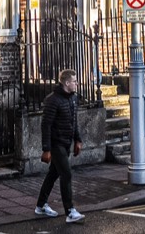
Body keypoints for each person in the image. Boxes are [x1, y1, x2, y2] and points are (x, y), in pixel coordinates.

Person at [35, 69, 85, 224]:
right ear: (67, 83)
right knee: (66, 174)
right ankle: (70, 211)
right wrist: (46, 149)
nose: (77, 84)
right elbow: (46, 125)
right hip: (56, 144)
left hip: (66, 142)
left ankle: (41, 205)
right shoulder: (53, 100)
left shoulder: (73, 98)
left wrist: (77, 140)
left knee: (53, 174)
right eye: (75, 81)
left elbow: (74, 121)